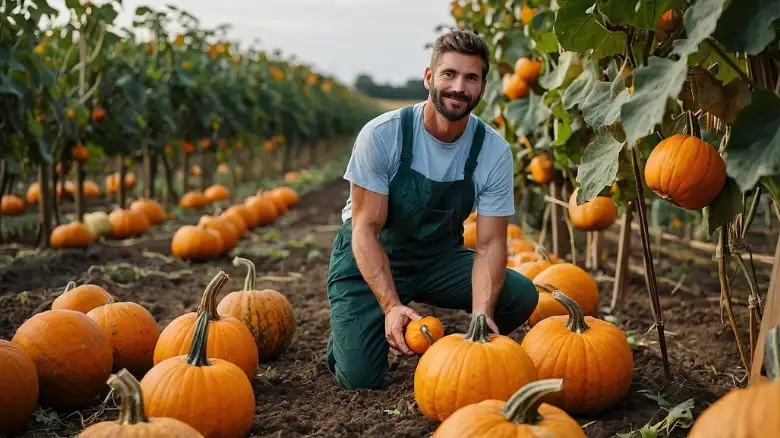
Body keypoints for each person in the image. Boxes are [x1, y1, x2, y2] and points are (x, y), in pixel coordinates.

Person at [325, 30, 538, 390]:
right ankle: (356, 331)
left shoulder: (493, 152)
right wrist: (391, 305)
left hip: (437, 258)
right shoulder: (382, 135)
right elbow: (365, 229)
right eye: (449, 74)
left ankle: (452, 335)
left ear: (483, 88)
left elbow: (489, 246)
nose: (459, 87)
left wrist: (482, 314)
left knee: (520, 295)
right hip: (374, 255)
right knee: (360, 379)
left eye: (471, 78)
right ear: (429, 78)